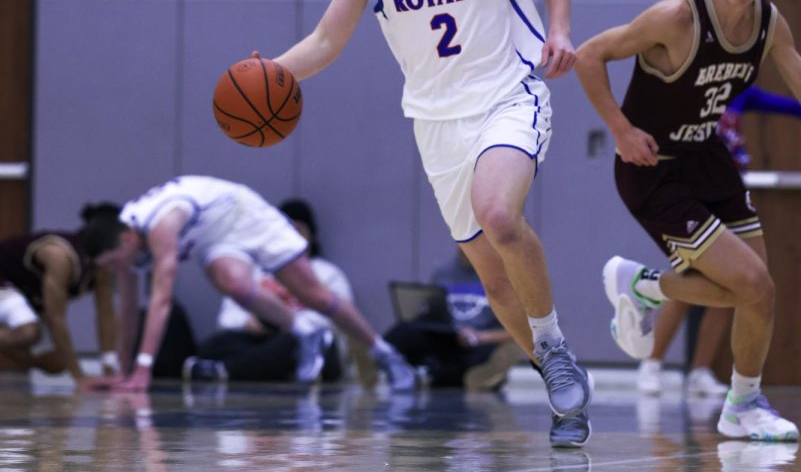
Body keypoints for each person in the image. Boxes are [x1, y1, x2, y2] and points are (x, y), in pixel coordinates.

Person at [263, 0, 591, 447]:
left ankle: (550, 345)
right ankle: (559, 382)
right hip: (436, 123)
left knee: (499, 214)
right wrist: (271, 71)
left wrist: (560, 29)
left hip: (508, 95)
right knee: (492, 280)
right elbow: (330, 37)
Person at [575, 0, 801, 441]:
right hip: (654, 170)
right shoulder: (676, 17)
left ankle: (741, 403)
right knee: (747, 285)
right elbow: (590, 55)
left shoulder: (769, 24)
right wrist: (621, 128)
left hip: (708, 158)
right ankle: (642, 284)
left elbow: (794, 71)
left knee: (760, 292)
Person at [79, 177, 415, 393]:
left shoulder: (160, 226)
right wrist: (123, 372)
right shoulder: (125, 241)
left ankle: (383, 351)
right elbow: (128, 310)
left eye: (112, 262)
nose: (114, 268)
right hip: (215, 235)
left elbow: (161, 301)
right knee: (234, 285)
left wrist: (143, 370)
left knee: (313, 295)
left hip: (243, 213)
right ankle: (304, 331)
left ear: (125, 239)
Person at [638, 83, 801, 397]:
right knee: (690, 280)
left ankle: (699, 371)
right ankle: (652, 364)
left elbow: (792, 107)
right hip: (694, 197)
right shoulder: (692, 84)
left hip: (730, 197)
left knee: (737, 286)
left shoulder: (744, 92)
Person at [185, 198, 354, 385]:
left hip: (302, 343)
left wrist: (287, 322)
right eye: (287, 229)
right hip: (261, 340)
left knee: (298, 343)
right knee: (214, 346)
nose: (292, 236)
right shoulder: (256, 271)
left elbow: (338, 321)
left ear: (311, 235)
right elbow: (227, 317)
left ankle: (226, 371)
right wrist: (249, 323)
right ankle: (256, 368)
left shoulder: (327, 273)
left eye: (298, 230)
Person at [384, 244, 521, 392]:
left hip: (481, 340)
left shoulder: (504, 276)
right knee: (406, 329)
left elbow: (519, 329)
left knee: (509, 346)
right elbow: (434, 312)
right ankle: (381, 354)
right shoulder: (443, 272)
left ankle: (485, 376)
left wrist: (478, 337)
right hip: (448, 337)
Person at [0, 227, 117, 387]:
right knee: (28, 332)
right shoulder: (59, 256)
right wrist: (79, 377)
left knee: (57, 364)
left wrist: (108, 368)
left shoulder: (102, 269)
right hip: (5, 281)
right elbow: (55, 318)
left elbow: (106, 317)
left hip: (24, 294)